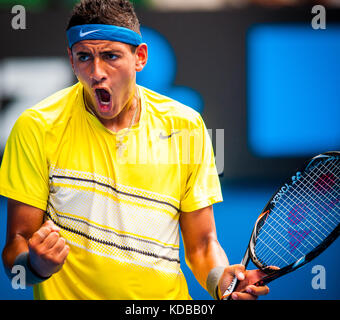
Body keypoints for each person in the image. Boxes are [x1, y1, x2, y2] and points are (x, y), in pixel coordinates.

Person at [0, 0, 269, 300]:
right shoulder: (35, 127)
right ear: (71, 60)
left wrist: (221, 280)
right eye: (84, 57)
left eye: (110, 56)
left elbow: (202, 244)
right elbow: (16, 246)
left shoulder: (187, 126)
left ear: (140, 57)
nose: (96, 72)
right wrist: (35, 265)